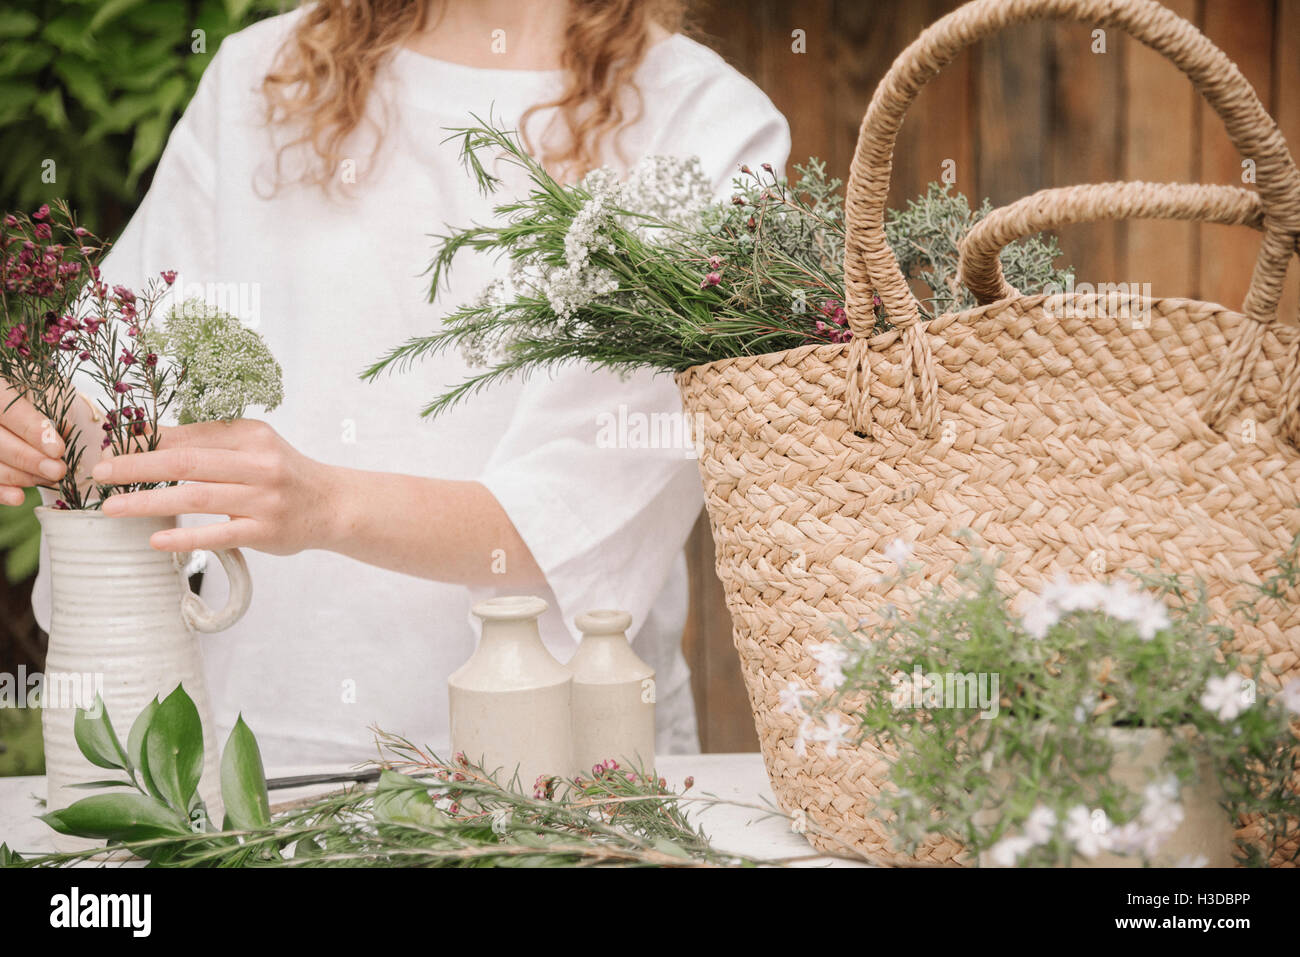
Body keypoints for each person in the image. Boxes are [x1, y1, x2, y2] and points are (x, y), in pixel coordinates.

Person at [6, 0, 790, 766]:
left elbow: (573, 522)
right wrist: (43, 428)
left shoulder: (707, 124)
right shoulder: (262, 76)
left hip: (546, 775)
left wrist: (325, 503)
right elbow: (115, 411)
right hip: (241, 759)